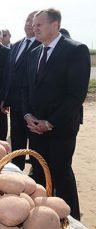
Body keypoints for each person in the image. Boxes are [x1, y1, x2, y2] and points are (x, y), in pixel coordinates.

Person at [23, 8, 90, 220]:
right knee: (39, 174)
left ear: (55, 25)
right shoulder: (34, 53)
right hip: (35, 128)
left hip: (60, 128)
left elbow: (76, 94)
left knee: (61, 175)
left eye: (39, 24)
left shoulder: (76, 50)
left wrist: (49, 122)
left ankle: (72, 221)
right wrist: (27, 116)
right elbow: (26, 89)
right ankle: (43, 219)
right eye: (34, 25)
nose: (35, 28)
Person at [0, 11, 41, 170]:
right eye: (27, 20)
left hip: (34, 106)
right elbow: (8, 73)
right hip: (15, 104)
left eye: (33, 21)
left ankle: (37, 176)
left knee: (36, 145)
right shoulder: (16, 45)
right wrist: (4, 97)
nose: (28, 24)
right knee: (17, 141)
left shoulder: (43, 46)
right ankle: (16, 171)